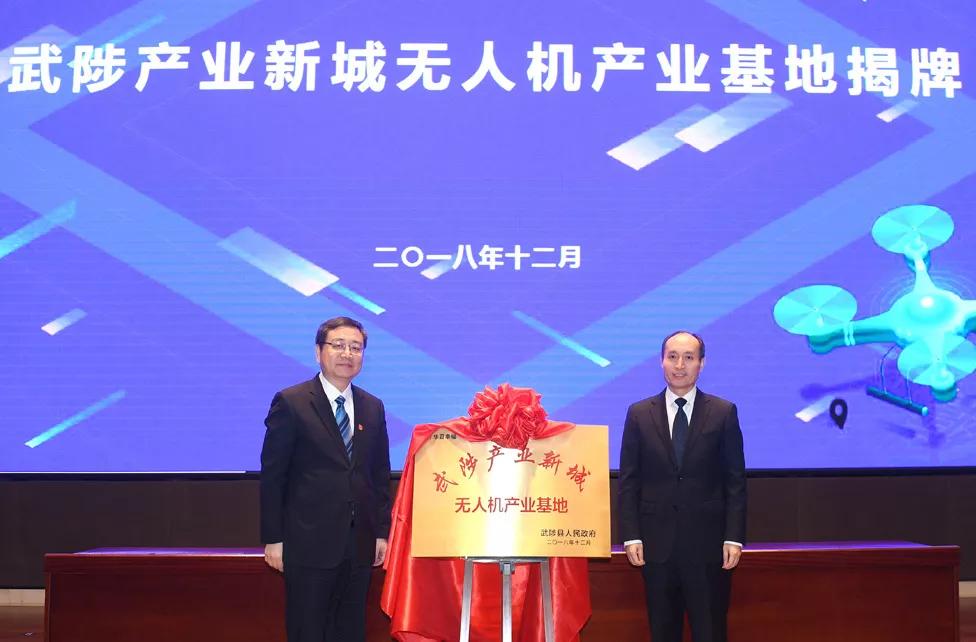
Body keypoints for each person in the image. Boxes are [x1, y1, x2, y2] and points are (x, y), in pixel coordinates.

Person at [260, 316, 391, 642]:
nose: (347, 354)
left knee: (350, 631)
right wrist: (274, 538)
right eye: (338, 345)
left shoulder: (372, 407)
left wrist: (380, 533)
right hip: (307, 544)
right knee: (309, 630)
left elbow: (378, 475)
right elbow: (274, 476)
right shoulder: (292, 402)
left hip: (358, 544)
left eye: (356, 348)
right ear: (319, 352)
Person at [618, 330, 746, 642]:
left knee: (710, 631)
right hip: (656, 547)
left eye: (689, 357)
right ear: (661, 361)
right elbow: (629, 480)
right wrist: (631, 535)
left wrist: (733, 537)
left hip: (708, 547)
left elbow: (735, 481)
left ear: (702, 363)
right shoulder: (639, 414)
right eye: (672, 356)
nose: (679, 365)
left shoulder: (723, 412)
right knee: (663, 632)